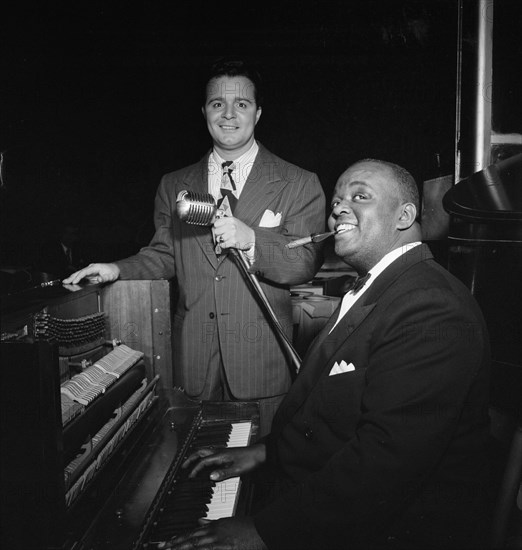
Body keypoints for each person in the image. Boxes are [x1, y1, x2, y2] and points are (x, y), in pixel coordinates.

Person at [161, 159, 491, 550]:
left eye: (360, 196)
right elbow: (329, 410)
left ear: (405, 216)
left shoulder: (430, 306)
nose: (338, 208)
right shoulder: (384, 287)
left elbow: (384, 465)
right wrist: (266, 452)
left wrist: (265, 531)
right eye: (337, 200)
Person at [64, 59, 326, 435]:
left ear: (259, 112)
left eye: (242, 104)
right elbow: (164, 255)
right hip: (193, 365)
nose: (229, 114)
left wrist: (252, 239)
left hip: (262, 367)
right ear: (204, 112)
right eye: (218, 103)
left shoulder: (298, 182)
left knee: (262, 480)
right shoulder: (175, 185)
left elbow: (303, 263)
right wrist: (117, 269)